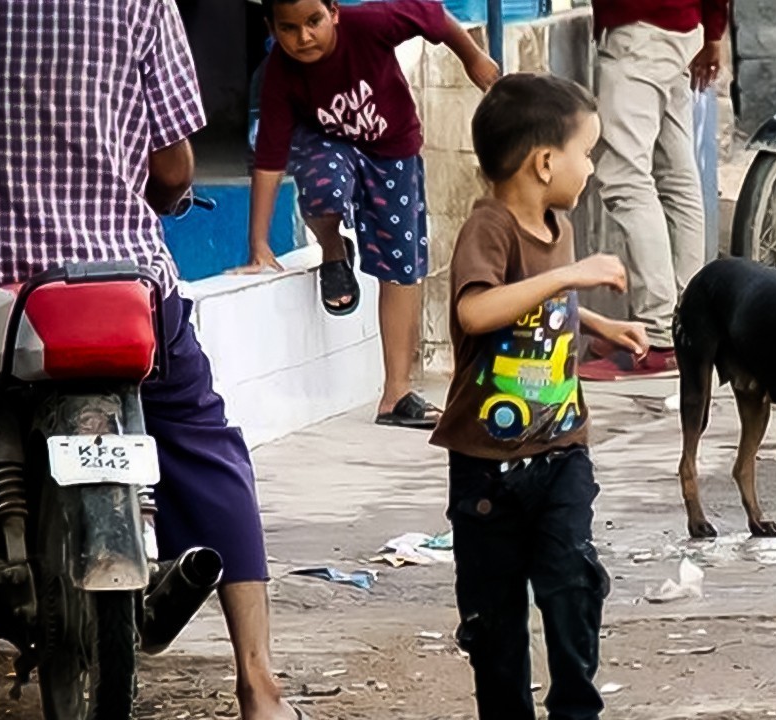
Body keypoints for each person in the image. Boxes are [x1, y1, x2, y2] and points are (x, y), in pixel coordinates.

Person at [0, 1, 297, 717]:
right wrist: (167, 193)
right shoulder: (137, 5)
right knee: (205, 447)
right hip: (121, 286)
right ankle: (261, 686)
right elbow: (173, 161)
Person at [429, 73, 649, 719]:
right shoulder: (488, 228)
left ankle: (576, 710)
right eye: (587, 152)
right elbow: (477, 311)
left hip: (560, 453)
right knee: (494, 621)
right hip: (486, 469)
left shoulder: (558, 225)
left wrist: (600, 324)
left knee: (573, 585)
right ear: (545, 161)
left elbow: (545, 307)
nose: (590, 167)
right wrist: (571, 276)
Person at [239, 0, 499, 428]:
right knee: (323, 186)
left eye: (313, 22)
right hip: (326, 143)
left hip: (393, 148)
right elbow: (269, 158)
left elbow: (431, 15)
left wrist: (473, 57)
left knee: (401, 266)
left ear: (335, 12)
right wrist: (259, 243)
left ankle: (395, 393)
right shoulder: (279, 73)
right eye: (288, 28)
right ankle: (333, 251)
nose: (303, 37)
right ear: (271, 28)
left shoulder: (370, 24)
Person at [578, 0, 729, 380]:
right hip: (680, 28)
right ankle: (688, 322)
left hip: (642, 28)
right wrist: (713, 32)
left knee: (625, 177)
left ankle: (660, 333)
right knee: (676, 176)